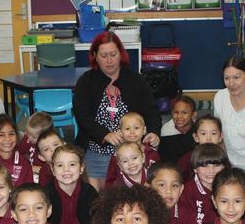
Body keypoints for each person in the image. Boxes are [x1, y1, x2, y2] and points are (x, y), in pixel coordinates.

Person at [74, 32, 161, 191]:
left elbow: (151, 111)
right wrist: (104, 134)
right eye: (103, 55)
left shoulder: (136, 80)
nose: (109, 60)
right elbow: (82, 116)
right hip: (97, 149)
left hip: (132, 151)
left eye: (113, 54)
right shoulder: (86, 81)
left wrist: (154, 132)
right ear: (95, 56)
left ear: (121, 54)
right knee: (95, 194)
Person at [46, 144, 101, 224]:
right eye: (60, 165)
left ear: (81, 168)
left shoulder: (89, 191)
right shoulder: (45, 194)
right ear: (52, 169)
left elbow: (94, 219)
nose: (66, 170)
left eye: (72, 164)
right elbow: (45, 223)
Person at [179, 143, 230, 224]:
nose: (211, 171)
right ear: (195, 168)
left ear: (223, 167)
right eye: (204, 166)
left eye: (216, 165)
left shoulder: (229, 187)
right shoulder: (188, 190)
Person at [105, 112, 160, 186]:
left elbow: (160, 176)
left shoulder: (152, 153)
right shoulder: (116, 157)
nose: (132, 132)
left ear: (144, 130)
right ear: (121, 132)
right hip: (124, 195)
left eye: (136, 128)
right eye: (127, 129)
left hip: (150, 195)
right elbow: (110, 181)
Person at [0, 114, 34, 187]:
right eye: (1, 135)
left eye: (11, 134)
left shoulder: (24, 162)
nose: (8, 139)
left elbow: (28, 190)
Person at [177, 114, 225, 181]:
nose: (208, 138)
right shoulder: (187, 159)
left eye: (213, 133)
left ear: (220, 137)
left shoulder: (223, 158)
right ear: (195, 137)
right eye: (203, 133)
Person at [159, 95, 198, 162]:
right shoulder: (166, 133)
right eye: (176, 112)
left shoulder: (200, 131)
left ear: (193, 115)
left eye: (184, 113)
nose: (179, 116)